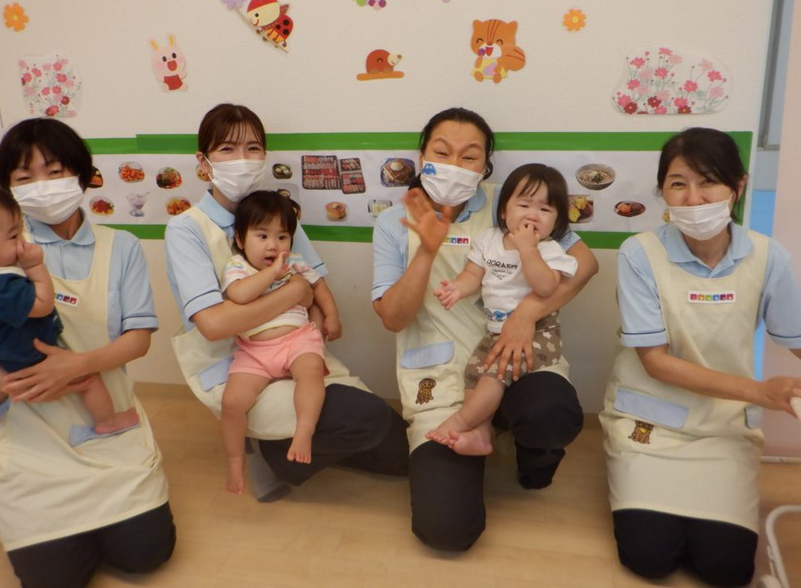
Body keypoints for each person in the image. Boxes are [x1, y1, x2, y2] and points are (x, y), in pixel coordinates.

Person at [0, 119, 174, 588]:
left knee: (146, 556)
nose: (41, 187)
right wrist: (3, 382)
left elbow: (138, 338)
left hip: (103, 421)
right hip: (27, 428)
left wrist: (77, 365)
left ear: (82, 174)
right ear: (6, 189)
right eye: (23, 178)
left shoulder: (119, 247)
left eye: (54, 170)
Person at [600, 127, 801, 587]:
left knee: (724, 569)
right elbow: (656, 362)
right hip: (650, 423)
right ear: (662, 190)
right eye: (678, 183)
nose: (692, 198)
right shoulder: (639, 254)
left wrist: (759, 395)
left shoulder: (768, 258)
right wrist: (761, 392)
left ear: (737, 186)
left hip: (723, 428)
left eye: (708, 182)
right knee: (650, 558)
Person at [372, 107, 598, 551]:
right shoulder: (392, 222)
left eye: (470, 156)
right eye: (442, 151)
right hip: (438, 376)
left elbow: (585, 265)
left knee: (550, 412)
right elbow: (393, 317)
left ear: (486, 167)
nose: (455, 165)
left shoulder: (511, 202)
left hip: (516, 356)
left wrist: (524, 316)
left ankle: (534, 456)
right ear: (421, 157)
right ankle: (474, 431)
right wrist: (425, 252)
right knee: (447, 530)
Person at [164, 102, 408, 502]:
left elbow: (315, 285)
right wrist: (293, 294)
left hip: (296, 350)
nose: (242, 160)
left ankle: (283, 442)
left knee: (401, 456)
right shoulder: (187, 229)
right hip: (237, 363)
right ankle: (275, 454)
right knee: (368, 418)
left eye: (253, 149)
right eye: (227, 149)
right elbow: (213, 324)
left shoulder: (276, 214)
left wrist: (314, 313)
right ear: (203, 161)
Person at [0, 180, 140, 475]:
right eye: (14, 235)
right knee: (89, 380)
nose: (22, 242)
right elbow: (42, 303)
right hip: (30, 355)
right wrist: (34, 267)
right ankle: (107, 421)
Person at [426, 164, 578, 456]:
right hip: (495, 333)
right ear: (504, 210)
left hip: (538, 333)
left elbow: (546, 287)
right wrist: (457, 288)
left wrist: (528, 249)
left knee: (493, 377)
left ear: (557, 220)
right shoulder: (489, 239)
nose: (533, 214)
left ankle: (459, 422)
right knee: (473, 374)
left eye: (545, 210)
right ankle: (482, 434)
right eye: (523, 204)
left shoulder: (549, 250)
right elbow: (474, 274)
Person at [220, 190, 339, 493]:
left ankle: (304, 431)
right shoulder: (238, 267)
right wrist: (273, 272)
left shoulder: (296, 262)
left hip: (297, 339)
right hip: (254, 351)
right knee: (232, 403)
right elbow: (240, 295)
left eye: (282, 237)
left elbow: (319, 287)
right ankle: (235, 459)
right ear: (240, 238)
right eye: (262, 236)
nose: (273, 245)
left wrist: (332, 315)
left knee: (311, 372)